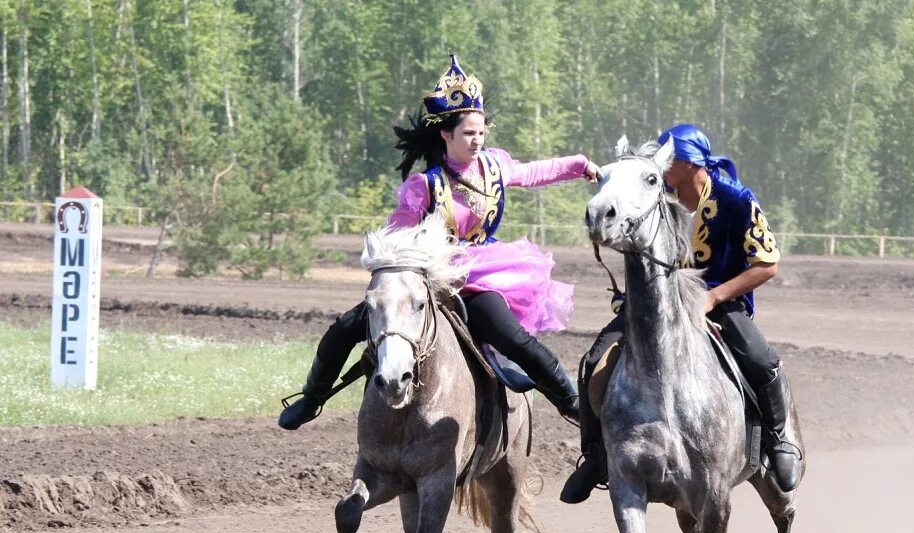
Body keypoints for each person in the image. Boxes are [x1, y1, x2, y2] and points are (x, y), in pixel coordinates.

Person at [279, 54, 599, 430]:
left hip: (483, 274)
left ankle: (572, 404)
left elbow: (536, 172)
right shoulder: (423, 186)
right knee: (343, 331)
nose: (476, 139)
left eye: (481, 132)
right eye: (468, 133)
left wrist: (579, 164)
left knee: (512, 339)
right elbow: (394, 238)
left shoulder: (496, 166)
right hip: (429, 277)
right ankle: (312, 398)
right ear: (446, 134)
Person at [560, 123, 802, 503]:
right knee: (593, 361)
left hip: (719, 304)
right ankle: (595, 456)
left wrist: (712, 298)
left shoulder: (736, 200)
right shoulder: (656, 196)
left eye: (668, 160)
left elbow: (767, 264)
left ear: (688, 164)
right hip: (654, 305)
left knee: (762, 360)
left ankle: (775, 443)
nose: (661, 167)